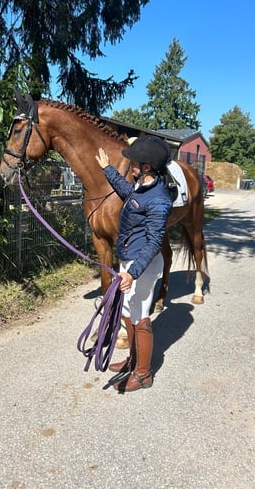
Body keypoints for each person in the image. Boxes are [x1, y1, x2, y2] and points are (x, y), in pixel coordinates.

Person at [95, 135, 172, 392]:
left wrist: (133, 273)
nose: (131, 167)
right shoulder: (143, 187)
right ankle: (133, 361)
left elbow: (153, 242)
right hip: (130, 261)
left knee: (140, 315)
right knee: (128, 310)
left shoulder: (159, 200)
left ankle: (143, 374)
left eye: (135, 163)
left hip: (143, 265)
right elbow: (128, 194)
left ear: (147, 167)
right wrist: (107, 169)